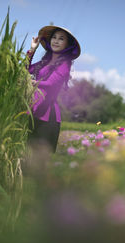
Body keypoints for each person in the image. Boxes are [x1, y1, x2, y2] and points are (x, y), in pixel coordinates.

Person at [26, 25, 81, 153]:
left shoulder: (65, 64)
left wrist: (33, 82)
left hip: (48, 116)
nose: (56, 41)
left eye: (61, 39)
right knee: (27, 156)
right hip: (33, 111)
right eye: (54, 37)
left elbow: (51, 84)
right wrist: (32, 50)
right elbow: (25, 69)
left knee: (41, 159)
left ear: (67, 45)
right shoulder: (44, 62)